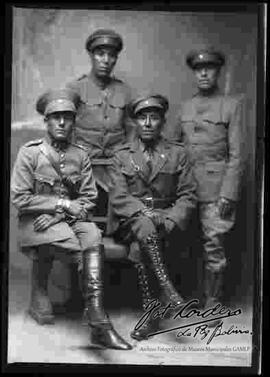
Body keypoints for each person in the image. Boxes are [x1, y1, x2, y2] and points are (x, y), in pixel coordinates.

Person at [10, 88, 132, 350]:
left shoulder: (80, 155)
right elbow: (20, 198)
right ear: (46, 121)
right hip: (35, 222)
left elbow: (88, 198)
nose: (62, 122)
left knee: (94, 237)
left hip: (61, 220)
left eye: (67, 117)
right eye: (56, 117)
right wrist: (62, 205)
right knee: (83, 251)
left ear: (74, 121)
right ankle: (97, 321)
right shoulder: (30, 153)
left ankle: (96, 316)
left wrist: (58, 214)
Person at [108, 93, 197, 340]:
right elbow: (119, 198)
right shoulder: (121, 155)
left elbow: (188, 196)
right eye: (142, 118)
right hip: (130, 221)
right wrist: (146, 214)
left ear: (162, 122)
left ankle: (151, 316)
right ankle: (168, 289)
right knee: (144, 226)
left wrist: (168, 221)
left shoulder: (178, 154)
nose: (147, 123)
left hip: (163, 223)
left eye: (154, 117)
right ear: (134, 123)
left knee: (143, 242)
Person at [175, 47, 244, 313]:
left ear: (218, 72)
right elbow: (174, 148)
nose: (203, 73)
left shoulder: (231, 105)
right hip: (187, 189)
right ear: (194, 73)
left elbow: (237, 155)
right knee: (181, 243)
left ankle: (213, 303)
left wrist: (229, 193)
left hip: (216, 191)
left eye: (210, 68)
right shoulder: (185, 107)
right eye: (198, 69)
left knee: (214, 247)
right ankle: (185, 298)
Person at [67, 28, 135, 194]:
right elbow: (65, 128)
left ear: (115, 59)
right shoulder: (75, 88)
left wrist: (128, 158)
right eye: (100, 54)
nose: (106, 60)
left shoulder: (124, 90)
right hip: (84, 163)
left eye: (111, 55)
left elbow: (132, 130)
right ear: (91, 56)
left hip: (116, 164)